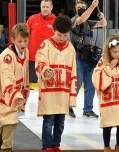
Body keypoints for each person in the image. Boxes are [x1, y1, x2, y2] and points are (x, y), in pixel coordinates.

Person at [35, 15, 77, 152]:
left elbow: (74, 71)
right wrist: (45, 70)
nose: (62, 38)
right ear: (53, 30)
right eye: (59, 35)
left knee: (60, 122)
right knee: (48, 120)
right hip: (49, 91)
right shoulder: (46, 44)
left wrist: (72, 94)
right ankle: (46, 146)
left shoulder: (70, 47)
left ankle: (56, 144)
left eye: (65, 35)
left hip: (63, 92)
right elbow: (40, 60)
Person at [92, 35, 119, 152]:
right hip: (108, 99)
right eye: (114, 51)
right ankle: (106, 145)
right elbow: (96, 78)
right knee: (107, 123)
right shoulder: (102, 61)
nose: (117, 54)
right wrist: (110, 68)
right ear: (109, 50)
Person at [0, 23, 30, 152]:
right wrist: (15, 94)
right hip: (5, 92)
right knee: (11, 120)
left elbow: (25, 72)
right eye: (19, 41)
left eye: (25, 40)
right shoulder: (7, 56)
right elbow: (7, 77)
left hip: (16, 91)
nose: (23, 44)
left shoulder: (26, 52)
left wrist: (25, 90)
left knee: (9, 119)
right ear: (13, 40)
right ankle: (6, 148)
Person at [68, 0, 107, 118]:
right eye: (78, 7)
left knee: (90, 83)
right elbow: (81, 19)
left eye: (82, 7)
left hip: (89, 55)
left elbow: (103, 24)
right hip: (77, 55)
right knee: (77, 82)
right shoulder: (74, 20)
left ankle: (88, 109)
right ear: (75, 9)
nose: (80, 9)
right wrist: (92, 6)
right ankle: (69, 105)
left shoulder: (89, 23)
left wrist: (102, 16)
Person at [26, 0, 56, 83]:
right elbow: (25, 36)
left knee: (47, 85)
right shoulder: (32, 19)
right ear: (40, 7)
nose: (45, 9)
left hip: (49, 59)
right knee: (31, 85)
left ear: (51, 7)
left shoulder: (56, 21)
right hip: (32, 58)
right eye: (43, 7)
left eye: (47, 7)